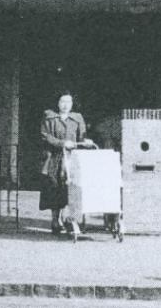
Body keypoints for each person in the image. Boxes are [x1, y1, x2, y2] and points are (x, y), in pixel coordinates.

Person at [39, 91, 94, 236]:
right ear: (57, 103)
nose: (65, 105)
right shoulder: (50, 117)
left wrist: (86, 141)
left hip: (71, 158)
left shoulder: (77, 118)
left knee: (70, 187)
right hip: (54, 157)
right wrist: (62, 143)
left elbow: (83, 135)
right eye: (62, 101)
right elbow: (45, 136)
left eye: (68, 102)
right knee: (54, 186)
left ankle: (70, 219)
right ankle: (55, 220)